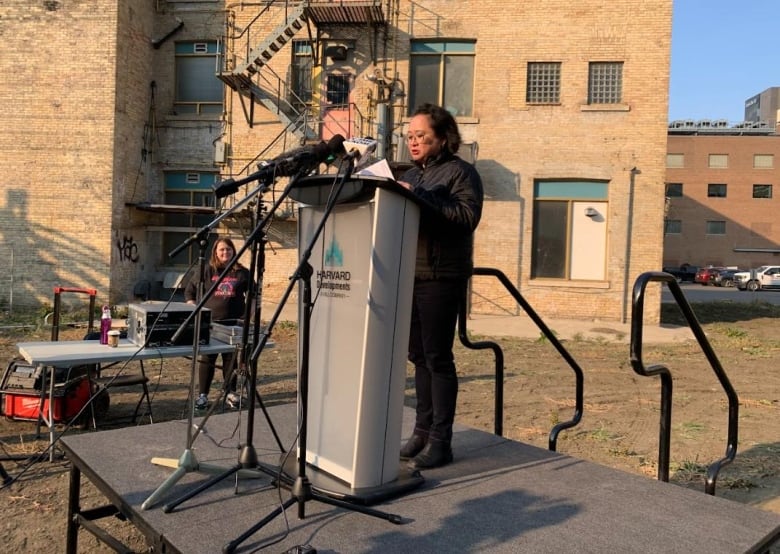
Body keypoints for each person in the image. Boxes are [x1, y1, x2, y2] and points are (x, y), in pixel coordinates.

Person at [396, 103, 484, 469]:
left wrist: (418, 196)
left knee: (438, 358)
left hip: (441, 277)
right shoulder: (414, 175)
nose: (413, 143)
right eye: (409, 137)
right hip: (410, 275)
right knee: (417, 357)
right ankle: (421, 430)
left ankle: (441, 441)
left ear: (443, 138)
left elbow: (465, 217)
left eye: (421, 136)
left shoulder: (462, 173)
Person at [184, 237, 252, 410]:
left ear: (233, 251)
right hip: (211, 325)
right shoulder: (206, 270)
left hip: (233, 324)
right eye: (222, 249)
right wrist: (195, 310)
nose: (225, 253)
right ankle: (203, 396)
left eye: (228, 249)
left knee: (231, 359)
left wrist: (249, 315)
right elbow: (189, 292)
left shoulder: (242, 272)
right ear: (215, 251)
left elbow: (253, 295)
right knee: (208, 359)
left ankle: (230, 392)